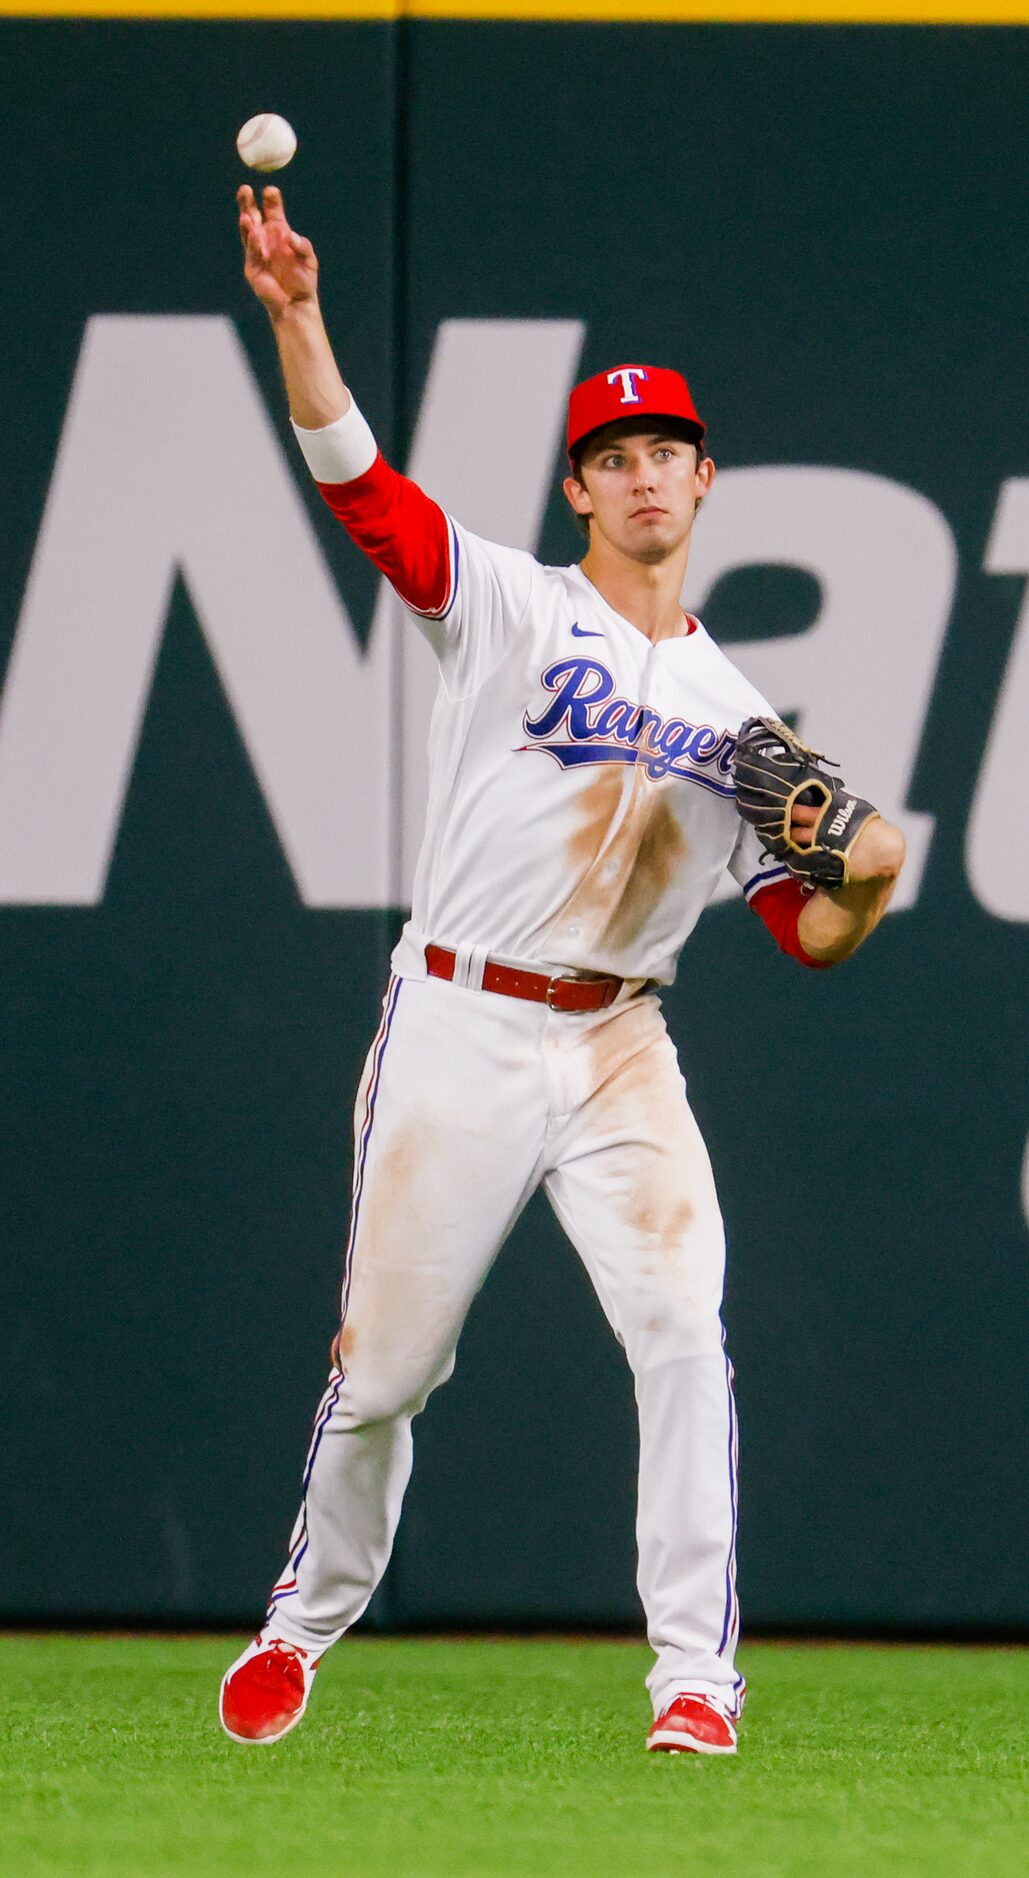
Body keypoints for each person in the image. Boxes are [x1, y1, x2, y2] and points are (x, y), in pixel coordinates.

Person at [219, 184, 905, 1755]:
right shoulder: (513, 607)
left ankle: (694, 1678)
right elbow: (362, 489)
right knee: (386, 1371)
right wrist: (296, 317)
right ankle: (300, 1619)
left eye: (665, 448)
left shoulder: (744, 720)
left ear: (703, 479)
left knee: (681, 1327)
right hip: (459, 1014)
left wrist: (861, 889)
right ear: (581, 489)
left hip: (619, 1050)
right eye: (613, 455)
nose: (642, 471)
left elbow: (797, 931)